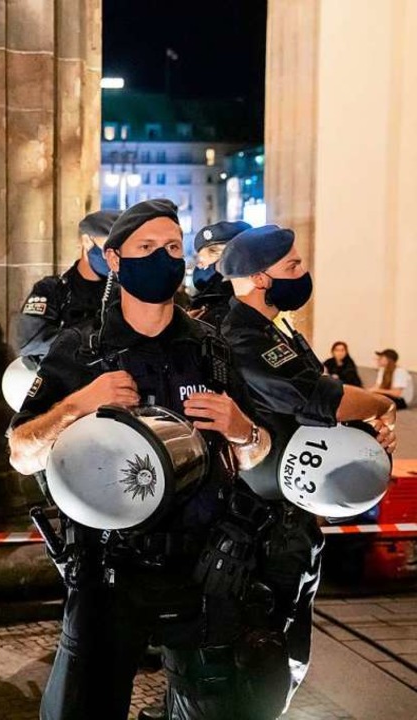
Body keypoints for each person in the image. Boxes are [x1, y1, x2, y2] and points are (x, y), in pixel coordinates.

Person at [8, 199, 277, 720]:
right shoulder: (79, 348)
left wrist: (243, 431)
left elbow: (256, 453)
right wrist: (77, 405)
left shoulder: (212, 349)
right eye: (147, 248)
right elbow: (21, 451)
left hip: (204, 567)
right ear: (114, 259)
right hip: (111, 571)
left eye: (173, 247)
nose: (164, 257)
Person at [218, 224, 398, 710]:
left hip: (294, 516)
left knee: (289, 651)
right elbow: (315, 398)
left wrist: (365, 432)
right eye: (292, 266)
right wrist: (381, 404)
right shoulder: (246, 337)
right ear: (260, 278)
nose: (304, 273)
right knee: (263, 656)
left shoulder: (279, 329)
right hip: (261, 525)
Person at [16, 210, 119, 365]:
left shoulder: (124, 290)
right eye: (108, 248)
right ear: (86, 241)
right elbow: (30, 342)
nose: (114, 257)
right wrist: (89, 339)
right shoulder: (53, 289)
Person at [188, 220, 250, 329]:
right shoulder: (206, 303)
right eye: (199, 260)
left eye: (203, 260)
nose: (200, 266)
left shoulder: (243, 302)